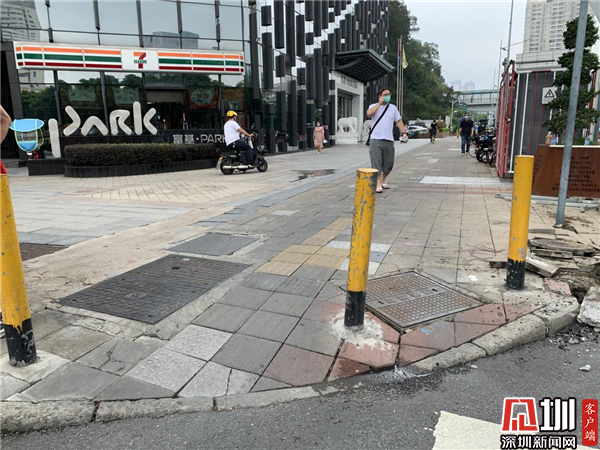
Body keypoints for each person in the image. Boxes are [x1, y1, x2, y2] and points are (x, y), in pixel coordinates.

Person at [366, 88, 408, 193]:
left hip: (389, 139)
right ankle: (378, 183)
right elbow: (369, 113)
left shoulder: (393, 108)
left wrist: (404, 133)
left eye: (389, 94)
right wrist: (379, 104)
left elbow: (399, 121)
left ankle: (383, 179)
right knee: (376, 162)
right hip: (375, 139)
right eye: (385, 94)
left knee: (389, 163)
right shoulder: (373, 106)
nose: (388, 96)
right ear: (380, 96)